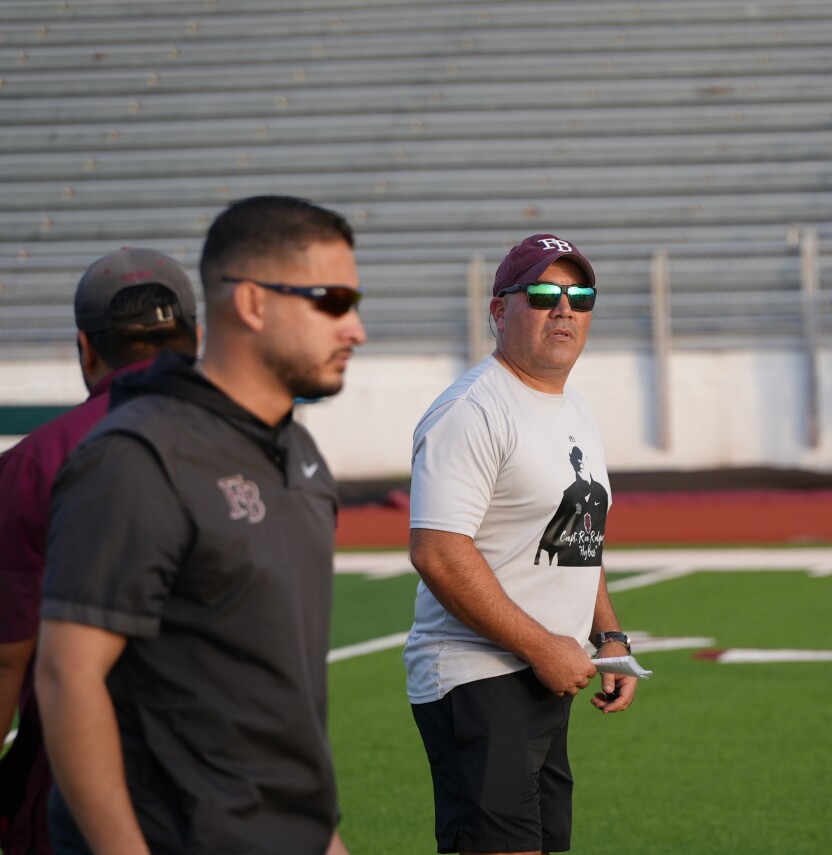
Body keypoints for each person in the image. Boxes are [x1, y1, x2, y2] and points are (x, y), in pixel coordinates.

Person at [35, 195, 366, 855]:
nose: (354, 328)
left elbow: (273, 693)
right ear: (252, 302)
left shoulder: (300, 455)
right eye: (331, 300)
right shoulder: (137, 457)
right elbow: (67, 677)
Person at [405, 233, 636, 855]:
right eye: (542, 294)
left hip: (541, 674)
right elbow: (437, 552)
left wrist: (608, 636)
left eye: (579, 296)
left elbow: (576, 539)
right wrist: (542, 646)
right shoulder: (472, 410)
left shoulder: (572, 407)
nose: (564, 309)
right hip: (478, 677)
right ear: (500, 311)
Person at [0, 246, 200, 855]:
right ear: (195, 338)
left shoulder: (31, 464)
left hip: (75, 779)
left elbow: (9, 656)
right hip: (232, 777)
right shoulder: (267, 448)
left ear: (86, 348)